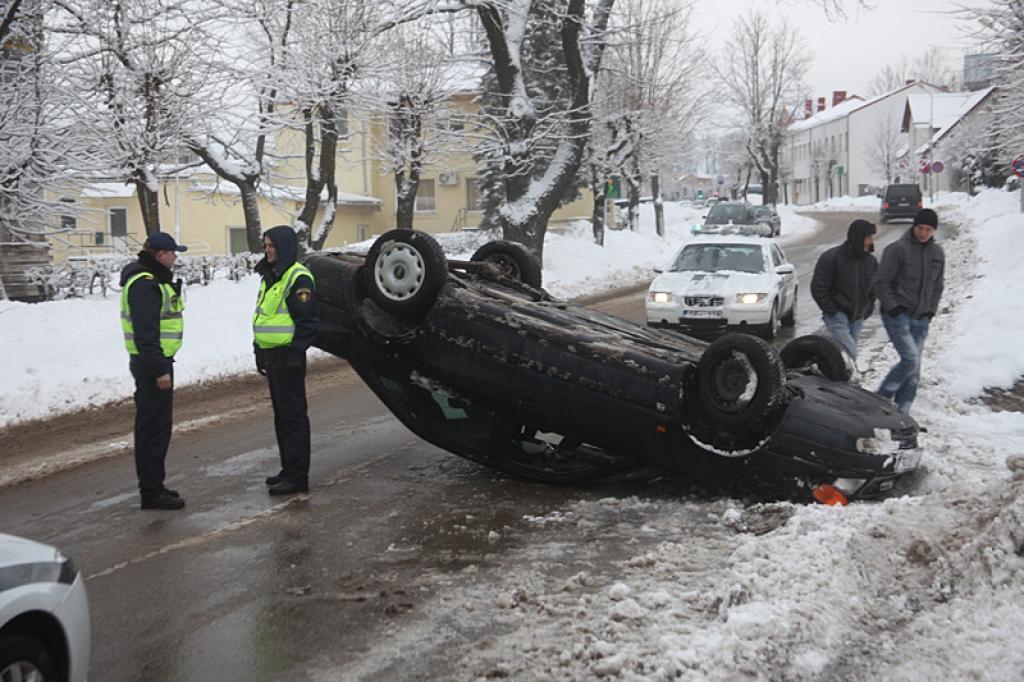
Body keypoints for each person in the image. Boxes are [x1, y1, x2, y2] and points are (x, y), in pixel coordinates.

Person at [119, 232, 188, 510]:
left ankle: (154, 486)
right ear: (161, 255)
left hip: (153, 362)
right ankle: (151, 492)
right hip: (151, 365)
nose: (175, 258)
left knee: (157, 427)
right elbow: (146, 334)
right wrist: (160, 370)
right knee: (153, 429)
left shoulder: (152, 280)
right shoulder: (145, 284)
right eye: (173, 253)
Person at [253, 225, 319, 495]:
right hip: (272, 356)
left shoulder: (297, 277)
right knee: (282, 416)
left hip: (287, 357)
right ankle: (287, 468)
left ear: (283, 246)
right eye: (265, 245)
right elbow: (263, 316)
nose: (267, 250)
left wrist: (296, 353)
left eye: (271, 245)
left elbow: (307, 322)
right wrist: (258, 348)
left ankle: (297, 476)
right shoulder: (271, 276)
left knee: (293, 416)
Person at [873, 208, 945, 414]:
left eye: (928, 229)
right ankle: (881, 400)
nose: (923, 233)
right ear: (914, 227)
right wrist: (893, 308)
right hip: (898, 314)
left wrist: (931, 310)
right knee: (910, 360)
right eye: (920, 228)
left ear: (933, 231)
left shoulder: (937, 253)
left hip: (922, 317)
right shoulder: (897, 249)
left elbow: (938, 285)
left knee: (915, 369)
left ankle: (902, 411)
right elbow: (881, 282)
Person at [810, 219, 878, 359]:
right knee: (850, 352)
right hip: (837, 315)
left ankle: (838, 377)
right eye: (868, 238)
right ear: (858, 238)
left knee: (846, 355)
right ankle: (852, 378)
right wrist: (832, 310)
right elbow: (818, 286)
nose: (871, 241)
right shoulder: (832, 258)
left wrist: (868, 308)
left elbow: (874, 288)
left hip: (858, 316)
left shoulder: (871, 262)